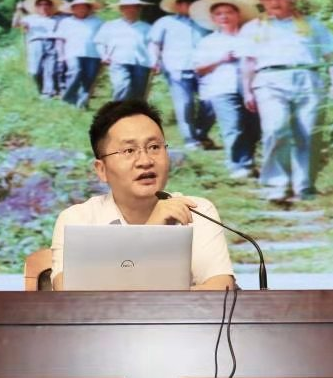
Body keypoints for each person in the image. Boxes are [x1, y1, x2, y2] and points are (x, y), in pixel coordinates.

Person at [50, 99, 236, 291]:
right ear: (102, 169)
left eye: (154, 147)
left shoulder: (196, 210)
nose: (145, 161)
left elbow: (221, 290)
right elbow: (68, 294)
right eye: (129, 150)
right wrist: (151, 230)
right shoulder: (78, 220)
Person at [236, 0, 333, 202]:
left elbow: (332, 56)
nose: (274, 2)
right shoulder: (253, 27)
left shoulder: (312, 24)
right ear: (261, 2)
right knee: (275, 129)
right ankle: (277, 184)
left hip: (308, 79)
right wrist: (247, 91)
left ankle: (305, 187)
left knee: (309, 133)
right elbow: (247, 62)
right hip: (269, 80)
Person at [190, 0, 261, 179]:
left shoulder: (250, 37)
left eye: (229, 12)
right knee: (233, 126)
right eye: (219, 14)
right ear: (213, 19)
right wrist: (220, 59)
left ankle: (249, 160)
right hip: (222, 88)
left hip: (253, 87)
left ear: (238, 15)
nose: (224, 16)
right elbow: (199, 69)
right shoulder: (208, 42)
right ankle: (239, 165)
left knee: (254, 127)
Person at [148, 0, 218, 149]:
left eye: (195, 2)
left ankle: (201, 133)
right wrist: (154, 60)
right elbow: (154, 43)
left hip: (206, 68)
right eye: (188, 2)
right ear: (178, 5)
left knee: (212, 101)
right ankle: (190, 139)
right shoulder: (165, 22)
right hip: (177, 68)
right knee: (185, 104)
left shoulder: (208, 22)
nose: (192, 5)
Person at [94, 0, 153, 101]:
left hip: (142, 63)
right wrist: (104, 55)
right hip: (118, 61)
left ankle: (134, 110)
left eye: (134, 7)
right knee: (121, 86)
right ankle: (118, 109)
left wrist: (155, 61)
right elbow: (100, 42)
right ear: (121, 9)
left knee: (138, 92)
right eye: (127, 7)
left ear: (139, 9)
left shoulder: (147, 27)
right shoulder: (110, 25)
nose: (131, 10)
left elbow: (153, 46)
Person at [11, 0, 65, 96]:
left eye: (46, 4)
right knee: (34, 70)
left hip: (52, 42)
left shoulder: (57, 18)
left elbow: (70, 12)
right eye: (40, 4)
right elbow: (15, 24)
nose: (43, 7)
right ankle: (41, 89)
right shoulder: (30, 18)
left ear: (51, 6)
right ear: (36, 7)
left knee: (50, 69)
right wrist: (18, 10)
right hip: (35, 43)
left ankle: (48, 93)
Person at [55, 0, 104, 108]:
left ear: (89, 9)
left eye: (83, 7)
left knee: (89, 78)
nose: (81, 10)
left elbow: (104, 38)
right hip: (72, 53)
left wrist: (105, 53)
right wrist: (61, 55)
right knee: (75, 72)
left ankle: (81, 104)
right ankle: (68, 99)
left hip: (94, 54)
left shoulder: (98, 22)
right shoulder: (66, 22)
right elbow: (59, 40)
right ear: (73, 9)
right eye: (77, 7)